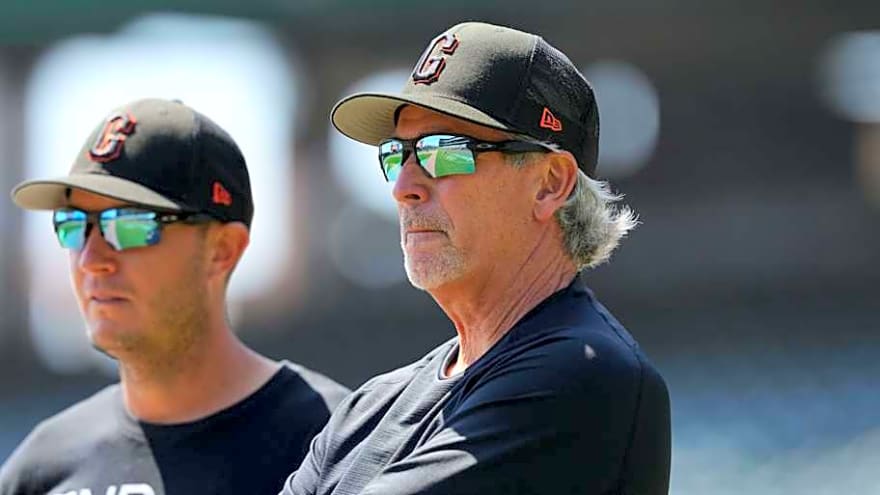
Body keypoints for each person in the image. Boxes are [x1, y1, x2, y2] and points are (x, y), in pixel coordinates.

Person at [281, 22, 671, 495]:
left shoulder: (584, 375)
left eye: (445, 151)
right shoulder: (368, 408)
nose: (404, 187)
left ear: (549, 183)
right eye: (397, 155)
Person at [0, 98, 350, 495]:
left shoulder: (333, 440)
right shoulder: (44, 465)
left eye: (130, 225)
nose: (91, 259)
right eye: (74, 225)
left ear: (222, 250)